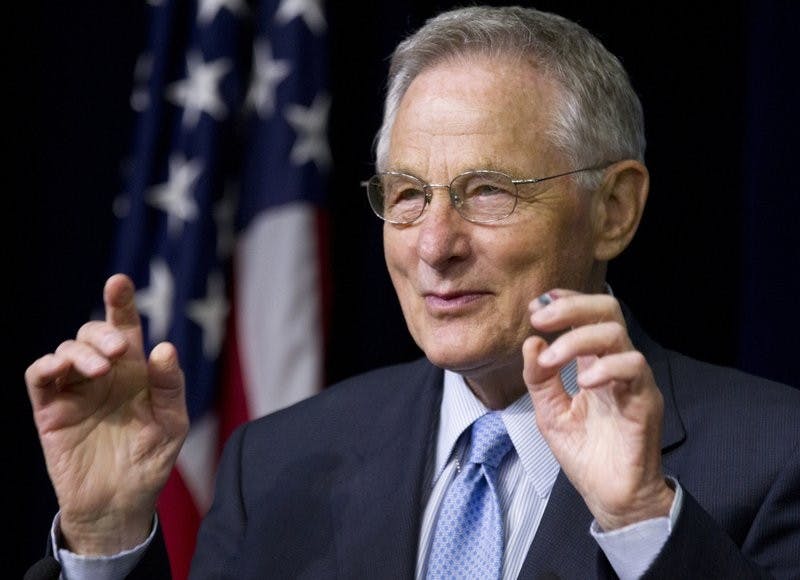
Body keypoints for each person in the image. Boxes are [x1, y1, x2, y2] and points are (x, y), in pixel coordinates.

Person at [24, 5, 800, 580]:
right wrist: (104, 539)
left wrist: (641, 524)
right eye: (405, 195)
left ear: (614, 209)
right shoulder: (275, 465)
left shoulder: (774, 456)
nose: (435, 245)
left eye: (489, 190)